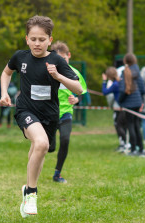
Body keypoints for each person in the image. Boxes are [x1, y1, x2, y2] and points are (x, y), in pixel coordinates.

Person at [0, 15, 83, 218]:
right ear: (26, 38)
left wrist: (58, 76)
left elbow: (78, 89)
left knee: (41, 147)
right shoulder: (20, 57)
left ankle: (27, 187)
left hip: (50, 115)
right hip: (26, 110)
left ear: (50, 40)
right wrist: (3, 92)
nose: (37, 43)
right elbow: (6, 73)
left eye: (42, 39)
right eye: (33, 39)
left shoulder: (56, 61)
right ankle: (31, 194)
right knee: (42, 143)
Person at [48, 41, 87, 183]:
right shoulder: (48, 72)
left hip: (65, 113)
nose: (61, 63)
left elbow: (82, 92)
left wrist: (76, 99)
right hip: (49, 114)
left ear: (68, 56)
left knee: (65, 140)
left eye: (63, 59)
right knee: (49, 147)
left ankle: (57, 174)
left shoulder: (74, 73)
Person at [118, 53, 145, 157]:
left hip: (129, 103)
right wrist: (141, 100)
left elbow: (122, 90)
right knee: (137, 126)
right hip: (137, 102)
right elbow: (142, 88)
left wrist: (120, 102)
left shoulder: (125, 72)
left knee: (131, 126)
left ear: (125, 61)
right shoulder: (138, 71)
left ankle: (133, 149)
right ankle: (142, 149)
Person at [102, 67, 128, 152]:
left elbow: (105, 92)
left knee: (118, 125)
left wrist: (104, 81)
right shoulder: (120, 81)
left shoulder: (115, 84)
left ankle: (125, 144)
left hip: (119, 108)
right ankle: (124, 143)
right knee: (123, 125)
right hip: (125, 106)